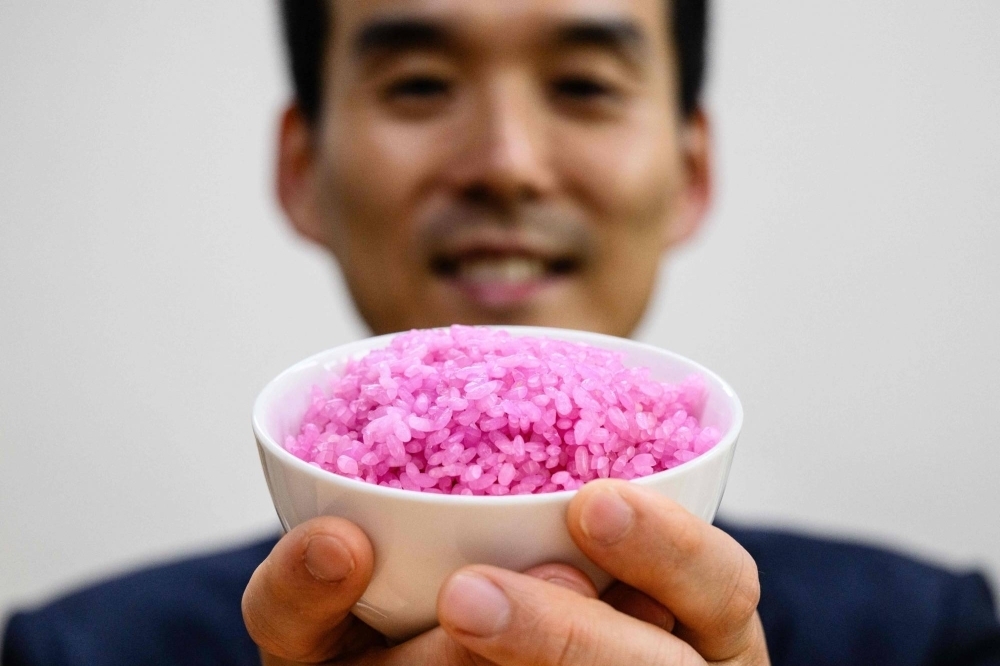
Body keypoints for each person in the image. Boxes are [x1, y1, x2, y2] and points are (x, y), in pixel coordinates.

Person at [3, 1, 999, 664]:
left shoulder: (928, 635)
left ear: (689, 174)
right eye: (419, 84)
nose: (507, 163)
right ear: (302, 171)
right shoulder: (76, 652)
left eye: (584, 85)